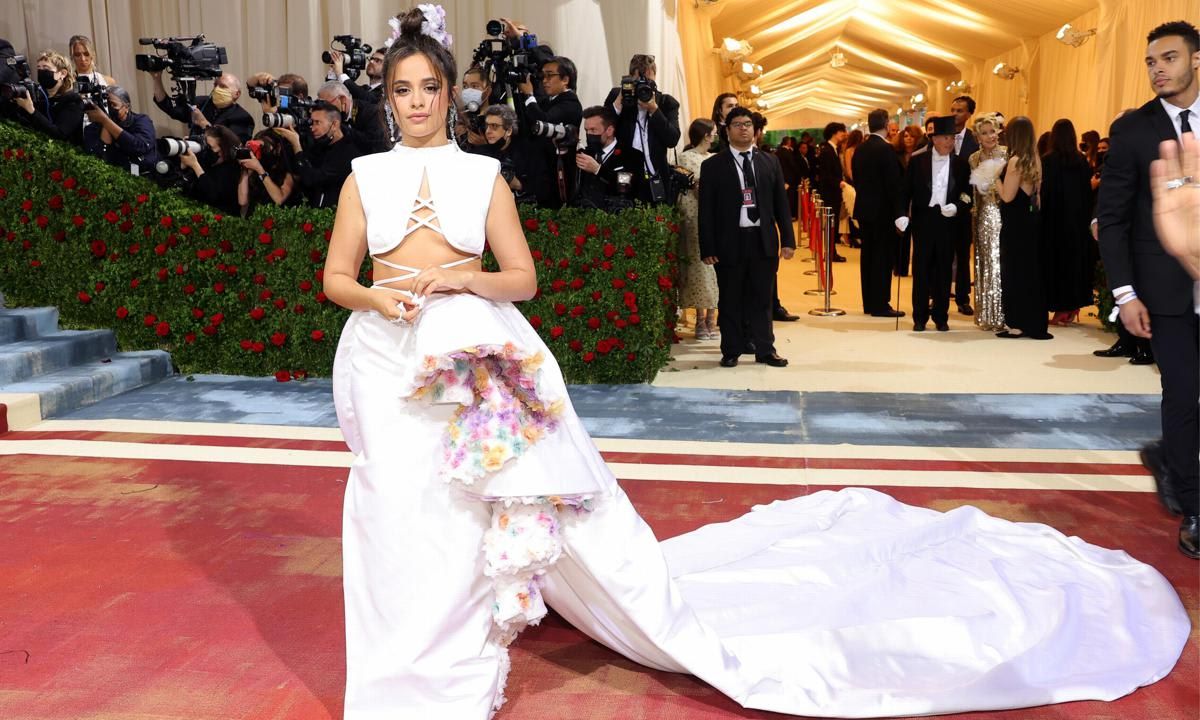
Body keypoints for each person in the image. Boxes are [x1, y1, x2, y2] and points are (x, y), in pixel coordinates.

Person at [326, 8, 1188, 719]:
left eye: (429, 87)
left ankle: (462, 648)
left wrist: (461, 280)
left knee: (480, 502)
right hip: (385, 354)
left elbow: (524, 277)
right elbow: (336, 277)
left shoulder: (486, 176)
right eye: (401, 90)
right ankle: (410, 660)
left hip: (482, 352)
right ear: (385, 99)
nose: (415, 102)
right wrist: (381, 299)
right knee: (401, 511)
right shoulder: (363, 175)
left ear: (449, 92)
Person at [1098, 20, 1199, 559]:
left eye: (1169, 57)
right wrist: (1124, 294)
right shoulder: (1134, 130)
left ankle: (1172, 462)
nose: (1158, 68)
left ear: (1195, 60)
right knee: (1183, 394)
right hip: (1165, 292)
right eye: (1150, 61)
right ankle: (1194, 506)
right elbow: (1110, 219)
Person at [698, 106, 796, 367]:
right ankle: (731, 349)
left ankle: (766, 350)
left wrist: (788, 239)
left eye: (748, 124)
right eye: (738, 124)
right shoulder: (713, 166)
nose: (744, 128)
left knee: (762, 298)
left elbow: (781, 205)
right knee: (730, 298)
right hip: (729, 241)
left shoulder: (769, 161)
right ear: (727, 130)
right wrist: (707, 246)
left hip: (762, 239)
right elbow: (705, 210)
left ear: (755, 130)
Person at [900, 115, 971, 332]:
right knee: (921, 270)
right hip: (923, 221)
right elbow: (905, 191)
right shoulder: (917, 161)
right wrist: (902, 214)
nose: (951, 142)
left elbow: (968, 195)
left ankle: (941, 316)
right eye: (947, 138)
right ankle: (919, 317)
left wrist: (958, 206)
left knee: (943, 270)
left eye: (953, 138)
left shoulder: (960, 164)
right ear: (935, 139)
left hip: (948, 222)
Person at [995, 116, 1052, 340]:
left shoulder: (1015, 161)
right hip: (1030, 222)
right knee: (1030, 271)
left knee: (1014, 271)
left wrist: (994, 180)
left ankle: (1017, 323)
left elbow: (1007, 196)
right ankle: (1034, 321)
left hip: (1015, 223)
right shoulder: (1036, 159)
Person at [603, 54, 682, 204]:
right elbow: (603, 129)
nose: (643, 87)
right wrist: (620, 101)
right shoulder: (618, 96)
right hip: (623, 174)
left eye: (648, 82)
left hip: (655, 176)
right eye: (638, 82)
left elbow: (672, 139)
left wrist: (654, 110)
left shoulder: (666, 103)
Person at [1041, 119, 1096, 326]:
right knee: (1074, 265)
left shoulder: (1048, 160)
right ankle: (1071, 306)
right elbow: (1086, 194)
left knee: (1055, 265)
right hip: (1077, 223)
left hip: (1054, 223)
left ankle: (1059, 308)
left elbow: (1044, 194)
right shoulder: (1081, 161)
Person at [852, 108, 906, 318]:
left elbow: (856, 177)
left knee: (868, 257)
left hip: (865, 209)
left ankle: (869, 302)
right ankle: (881, 304)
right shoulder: (886, 150)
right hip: (883, 212)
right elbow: (893, 185)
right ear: (886, 124)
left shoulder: (860, 149)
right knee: (883, 258)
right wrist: (899, 212)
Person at [516, 55, 582, 208]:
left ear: (565, 79)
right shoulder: (548, 101)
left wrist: (529, 95)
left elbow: (542, 122)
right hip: (539, 171)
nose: (544, 80)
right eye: (542, 76)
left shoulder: (570, 103)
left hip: (557, 175)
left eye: (550, 75)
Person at [676, 118, 719, 340]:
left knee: (715, 267)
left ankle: (713, 319)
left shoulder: (715, 158)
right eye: (713, 132)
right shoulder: (686, 157)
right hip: (693, 217)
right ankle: (700, 320)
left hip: (716, 216)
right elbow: (691, 187)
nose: (715, 136)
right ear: (705, 134)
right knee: (698, 267)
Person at [276, 100, 364, 209]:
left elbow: (311, 179)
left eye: (318, 122)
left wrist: (297, 145)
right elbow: (298, 169)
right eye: (311, 122)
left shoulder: (348, 154)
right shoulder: (319, 146)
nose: (313, 128)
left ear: (335, 124)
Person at [968, 112, 1008, 331]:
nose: (990, 136)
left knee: (1001, 261)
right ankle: (987, 314)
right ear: (978, 137)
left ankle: (1004, 312)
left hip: (1004, 213)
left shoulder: (1007, 154)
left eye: (992, 131)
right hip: (982, 215)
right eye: (984, 133)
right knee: (985, 261)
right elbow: (973, 192)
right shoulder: (973, 159)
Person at [151, 70, 254, 143]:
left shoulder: (242, 117)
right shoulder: (202, 102)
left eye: (222, 86)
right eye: (215, 85)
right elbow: (170, 107)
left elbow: (232, 146)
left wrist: (204, 124)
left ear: (237, 94)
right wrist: (156, 79)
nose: (216, 89)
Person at [574, 105, 648, 206]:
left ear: (609, 130)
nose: (589, 134)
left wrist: (598, 170)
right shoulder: (585, 153)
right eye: (586, 130)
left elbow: (629, 185)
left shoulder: (632, 155)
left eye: (593, 130)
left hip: (615, 215)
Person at [468, 104, 538, 204]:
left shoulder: (527, 152)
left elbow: (541, 189)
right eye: (487, 126)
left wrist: (517, 185)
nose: (488, 131)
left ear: (509, 131)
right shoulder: (477, 154)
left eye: (494, 126)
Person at [11, 50, 83, 145]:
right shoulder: (39, 96)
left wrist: (32, 111)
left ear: (62, 73)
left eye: (46, 68)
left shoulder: (73, 100)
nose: (41, 71)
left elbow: (60, 134)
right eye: (39, 68)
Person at [81, 85, 157, 174]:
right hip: (113, 178)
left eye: (113, 105)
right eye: (105, 104)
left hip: (145, 176)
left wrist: (106, 121)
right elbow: (99, 159)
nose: (109, 108)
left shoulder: (141, 120)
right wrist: (105, 121)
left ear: (127, 107)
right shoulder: (92, 128)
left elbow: (140, 146)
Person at [179, 125, 241, 215]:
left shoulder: (232, 168)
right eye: (206, 145)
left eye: (211, 147)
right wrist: (184, 166)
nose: (208, 150)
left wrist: (196, 166)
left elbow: (214, 196)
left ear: (224, 149)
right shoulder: (204, 159)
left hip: (223, 218)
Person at [236, 129, 298, 215]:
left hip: (278, 219)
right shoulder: (257, 164)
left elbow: (279, 199)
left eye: (265, 148)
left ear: (279, 147)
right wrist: (245, 168)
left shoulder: (289, 167)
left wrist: (260, 170)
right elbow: (242, 201)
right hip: (255, 218)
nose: (264, 151)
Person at [816, 122, 848, 262]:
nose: (844, 134)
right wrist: (839, 182)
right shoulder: (827, 150)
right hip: (829, 194)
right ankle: (830, 252)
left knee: (831, 224)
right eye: (842, 131)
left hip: (833, 193)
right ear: (834, 133)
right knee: (830, 224)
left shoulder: (833, 149)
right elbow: (826, 175)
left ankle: (831, 251)